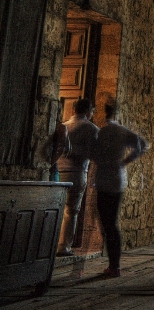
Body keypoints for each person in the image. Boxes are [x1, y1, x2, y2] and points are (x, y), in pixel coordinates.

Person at [93, 102, 148, 278]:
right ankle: (114, 265)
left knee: (106, 222)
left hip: (103, 178)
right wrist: (125, 161)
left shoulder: (102, 132)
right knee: (112, 222)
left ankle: (113, 265)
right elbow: (143, 145)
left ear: (104, 113)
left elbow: (96, 154)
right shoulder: (123, 131)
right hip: (118, 179)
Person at [56, 99, 99, 257]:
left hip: (58, 172)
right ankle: (63, 246)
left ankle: (51, 244)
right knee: (71, 211)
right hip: (77, 172)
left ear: (73, 110)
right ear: (89, 111)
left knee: (57, 209)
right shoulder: (92, 129)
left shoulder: (64, 125)